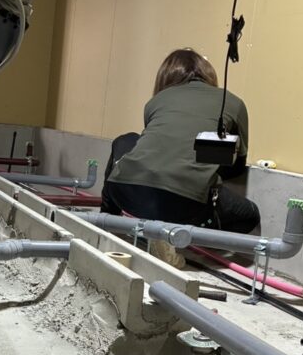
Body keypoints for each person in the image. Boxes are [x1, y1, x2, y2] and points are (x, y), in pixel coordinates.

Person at [101, 48, 260, 234]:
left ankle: (105, 222)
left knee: (126, 139)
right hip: (186, 204)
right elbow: (237, 167)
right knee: (250, 214)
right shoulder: (233, 102)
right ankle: (187, 239)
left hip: (123, 192)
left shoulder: (155, 101)